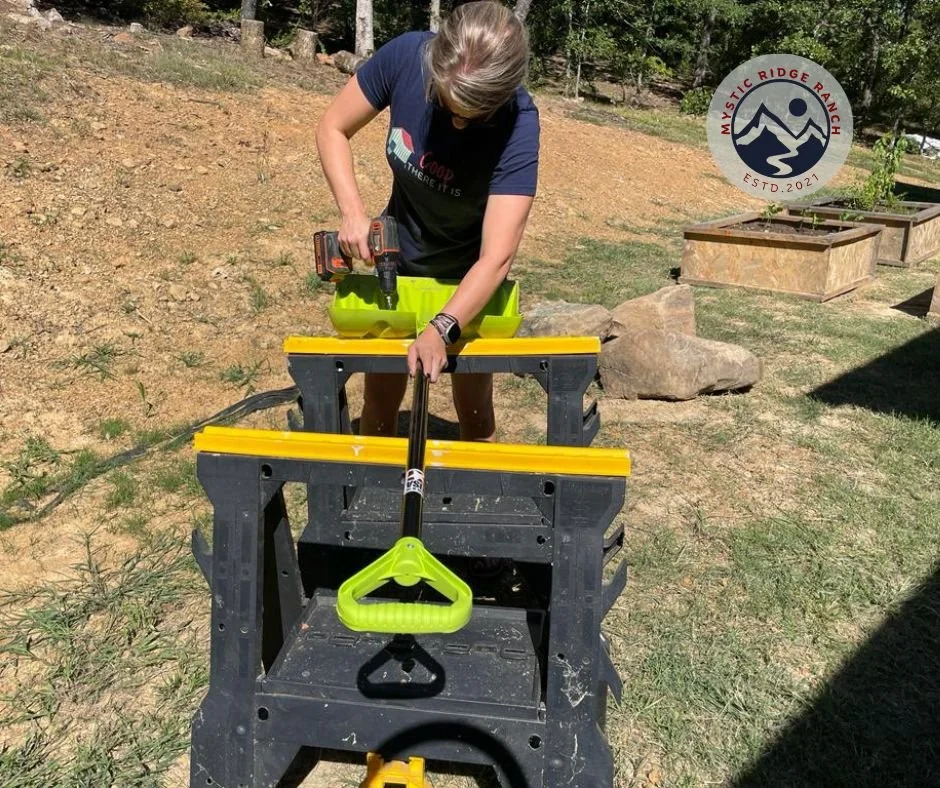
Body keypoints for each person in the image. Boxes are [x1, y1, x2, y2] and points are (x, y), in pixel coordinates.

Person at [316, 0, 539, 442]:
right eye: (446, 104)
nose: (457, 124)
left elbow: (496, 257)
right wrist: (353, 212)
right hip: (399, 262)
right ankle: (375, 476)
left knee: (475, 408)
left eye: (472, 116)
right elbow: (332, 128)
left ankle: (478, 480)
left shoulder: (519, 124)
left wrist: (442, 326)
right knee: (379, 400)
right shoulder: (406, 58)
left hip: (468, 275)